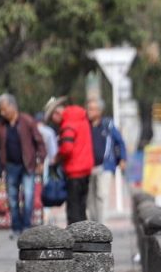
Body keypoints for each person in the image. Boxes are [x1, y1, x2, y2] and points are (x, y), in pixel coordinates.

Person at [0, 93, 46, 239]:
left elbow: (39, 142)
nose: (2, 112)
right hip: (10, 166)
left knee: (29, 196)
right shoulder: (1, 125)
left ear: (12, 107)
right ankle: (16, 227)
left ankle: (26, 227)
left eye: (4, 109)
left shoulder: (27, 121)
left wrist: (40, 160)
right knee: (12, 198)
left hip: (27, 165)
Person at [44, 96, 94, 225]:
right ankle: (84, 237)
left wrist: (57, 158)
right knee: (81, 208)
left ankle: (76, 240)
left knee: (73, 210)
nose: (53, 122)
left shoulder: (68, 125)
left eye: (52, 118)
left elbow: (67, 148)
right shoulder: (81, 119)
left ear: (57, 113)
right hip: (86, 169)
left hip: (74, 171)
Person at [86, 98, 127, 223]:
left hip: (105, 166)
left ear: (99, 111)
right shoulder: (85, 126)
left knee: (102, 196)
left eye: (92, 109)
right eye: (88, 108)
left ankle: (101, 225)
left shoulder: (107, 125)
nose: (89, 112)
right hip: (87, 167)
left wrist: (123, 159)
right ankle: (92, 225)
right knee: (89, 198)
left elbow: (120, 142)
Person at [34, 112, 58, 224]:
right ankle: (46, 216)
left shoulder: (31, 130)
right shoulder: (49, 131)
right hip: (46, 162)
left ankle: (33, 215)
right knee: (45, 189)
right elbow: (54, 152)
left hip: (31, 163)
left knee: (33, 189)